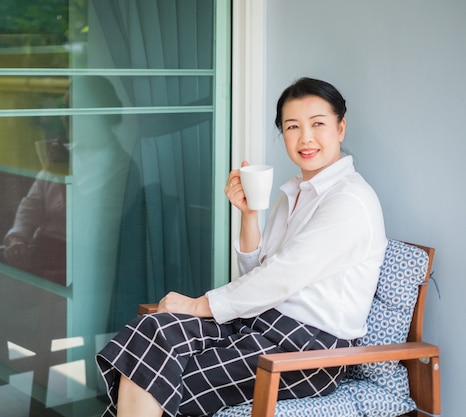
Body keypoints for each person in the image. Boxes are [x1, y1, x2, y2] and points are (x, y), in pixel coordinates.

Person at [95, 77, 387, 417]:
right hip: (259, 323)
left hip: (305, 350)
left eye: (318, 124)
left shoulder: (349, 199)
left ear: (341, 128)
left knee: (157, 376)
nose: (305, 138)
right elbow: (259, 274)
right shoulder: (293, 193)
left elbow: (279, 278)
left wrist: (198, 305)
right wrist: (249, 216)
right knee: (150, 332)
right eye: (293, 127)